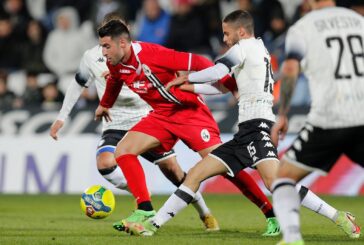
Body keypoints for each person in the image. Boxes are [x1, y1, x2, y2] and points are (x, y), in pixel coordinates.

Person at [125, 9, 362, 239]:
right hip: (246, 131)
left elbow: (217, 71)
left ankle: (339, 216)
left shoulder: (243, 48)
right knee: (195, 175)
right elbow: (219, 86)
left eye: (227, 34)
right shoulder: (258, 50)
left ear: (240, 31)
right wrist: (189, 86)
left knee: (276, 183)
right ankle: (152, 226)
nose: (224, 39)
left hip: (258, 127)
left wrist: (188, 76)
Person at [95, 18, 281, 235]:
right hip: (162, 115)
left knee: (227, 167)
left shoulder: (153, 55)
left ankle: (270, 214)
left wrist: (232, 87)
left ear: (123, 44)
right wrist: (105, 105)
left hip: (191, 113)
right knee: (124, 151)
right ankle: (144, 209)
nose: (104, 52)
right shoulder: (114, 64)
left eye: (107, 46)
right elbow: (115, 80)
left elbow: (201, 62)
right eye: (102, 47)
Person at [49, 14, 220, 232]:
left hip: (145, 117)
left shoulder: (138, 55)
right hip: (115, 122)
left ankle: (205, 213)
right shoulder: (91, 57)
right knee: (105, 162)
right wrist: (62, 117)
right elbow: (78, 84)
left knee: (173, 171)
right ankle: (143, 201)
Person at [270, 0, 363, 244]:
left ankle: (292, 238)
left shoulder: (303, 28)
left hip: (328, 119)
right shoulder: (358, 21)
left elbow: (290, 69)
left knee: (283, 178)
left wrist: (283, 114)